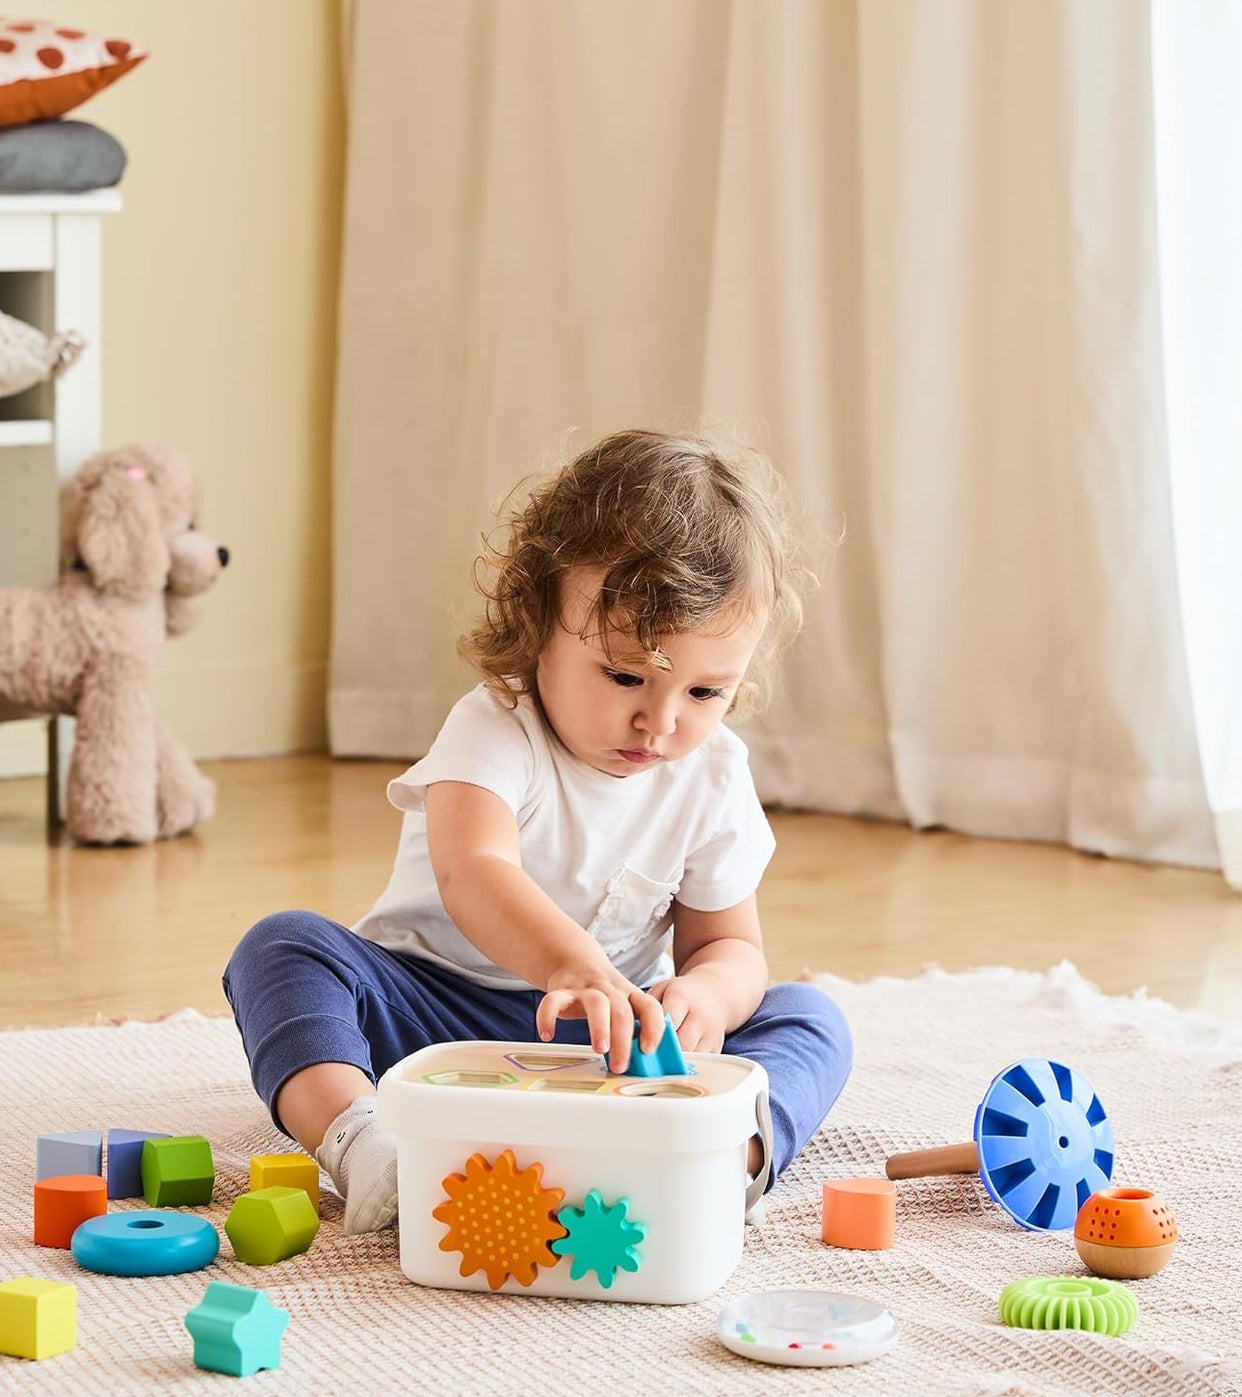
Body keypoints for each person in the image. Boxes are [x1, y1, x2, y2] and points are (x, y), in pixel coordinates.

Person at [223, 428, 853, 1233]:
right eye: (625, 674)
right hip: (430, 1018)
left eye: (706, 692)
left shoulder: (714, 773)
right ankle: (363, 1139)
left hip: (614, 1048)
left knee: (807, 1017)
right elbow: (472, 869)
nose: (659, 721)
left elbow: (729, 946)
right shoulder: (494, 728)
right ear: (535, 617)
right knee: (282, 947)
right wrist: (571, 965)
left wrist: (703, 996)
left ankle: (722, 1163)